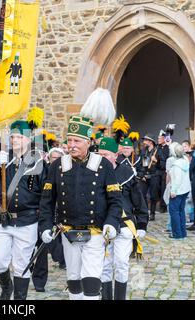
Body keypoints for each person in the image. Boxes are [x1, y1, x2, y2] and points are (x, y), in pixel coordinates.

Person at [39, 115, 122, 300]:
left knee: (91, 283)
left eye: (77, 141)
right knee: (74, 281)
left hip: (95, 233)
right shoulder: (57, 166)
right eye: (69, 140)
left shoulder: (104, 165)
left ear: (88, 142)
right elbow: (47, 201)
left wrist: (111, 222)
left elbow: (115, 200)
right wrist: (45, 225)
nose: (72, 145)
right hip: (69, 233)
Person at [0, 116, 47, 300]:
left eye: (19, 137)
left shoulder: (38, 161)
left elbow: (46, 192)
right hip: (2, 219)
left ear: (28, 139)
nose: (15, 140)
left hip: (27, 220)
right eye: (13, 137)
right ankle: (6, 287)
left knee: (21, 264)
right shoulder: (2, 158)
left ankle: (19, 300)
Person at [98, 137, 148, 300]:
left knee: (121, 263)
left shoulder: (126, 173)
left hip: (124, 225)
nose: (102, 157)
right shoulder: (94, 171)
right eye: (100, 154)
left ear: (115, 155)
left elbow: (138, 200)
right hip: (102, 226)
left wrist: (141, 224)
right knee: (104, 266)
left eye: (106, 154)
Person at [31, 147, 66, 293]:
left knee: (61, 247)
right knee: (42, 247)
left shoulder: (67, 171)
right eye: (53, 158)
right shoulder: (42, 171)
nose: (56, 160)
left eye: (59, 158)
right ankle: (39, 280)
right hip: (44, 214)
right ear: (49, 159)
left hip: (63, 215)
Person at [138, 134, 165, 221]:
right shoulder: (143, 151)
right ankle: (145, 212)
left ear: (150, 141)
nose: (144, 142)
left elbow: (163, 166)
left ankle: (152, 213)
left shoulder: (158, 151)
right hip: (145, 176)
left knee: (153, 196)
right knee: (142, 194)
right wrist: (141, 175)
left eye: (145, 140)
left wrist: (156, 161)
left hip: (154, 176)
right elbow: (141, 164)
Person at [168, 143, 191, 239]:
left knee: (174, 212)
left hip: (178, 191)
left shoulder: (176, 165)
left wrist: (173, 191)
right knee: (181, 211)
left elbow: (177, 179)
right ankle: (183, 233)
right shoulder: (185, 160)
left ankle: (177, 234)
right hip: (185, 189)